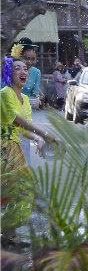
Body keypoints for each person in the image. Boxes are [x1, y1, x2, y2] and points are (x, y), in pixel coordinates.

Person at [1, 58, 55, 239]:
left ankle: (8, 234)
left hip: (14, 149)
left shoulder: (24, 98)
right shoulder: (5, 93)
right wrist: (44, 134)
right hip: (2, 148)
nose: (23, 72)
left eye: (25, 69)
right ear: (9, 73)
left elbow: (25, 129)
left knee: (21, 191)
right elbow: (15, 119)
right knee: (13, 189)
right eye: (17, 69)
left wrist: (38, 139)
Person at [13, 40, 42, 110]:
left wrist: (37, 97)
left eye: (33, 59)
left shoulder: (36, 72)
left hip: (26, 108)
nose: (30, 62)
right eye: (26, 58)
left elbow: (35, 91)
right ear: (18, 57)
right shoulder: (9, 71)